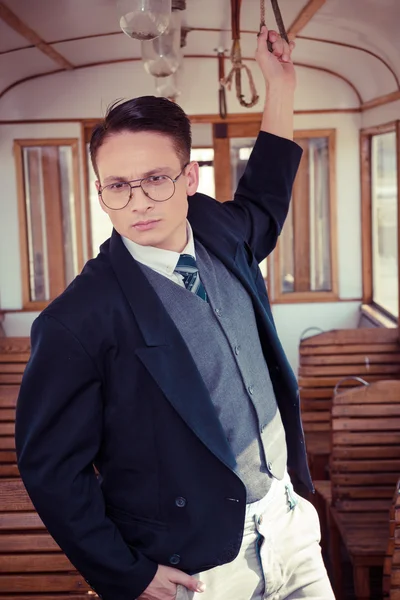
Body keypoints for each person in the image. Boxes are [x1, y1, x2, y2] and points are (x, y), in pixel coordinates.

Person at [15, 26, 335, 600]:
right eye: (117, 186)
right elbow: (51, 471)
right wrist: (127, 574)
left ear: (190, 178)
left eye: (157, 180)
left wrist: (280, 86)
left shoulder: (219, 228)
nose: (137, 202)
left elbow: (265, 197)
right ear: (99, 191)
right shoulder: (78, 318)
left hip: (289, 525)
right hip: (199, 563)